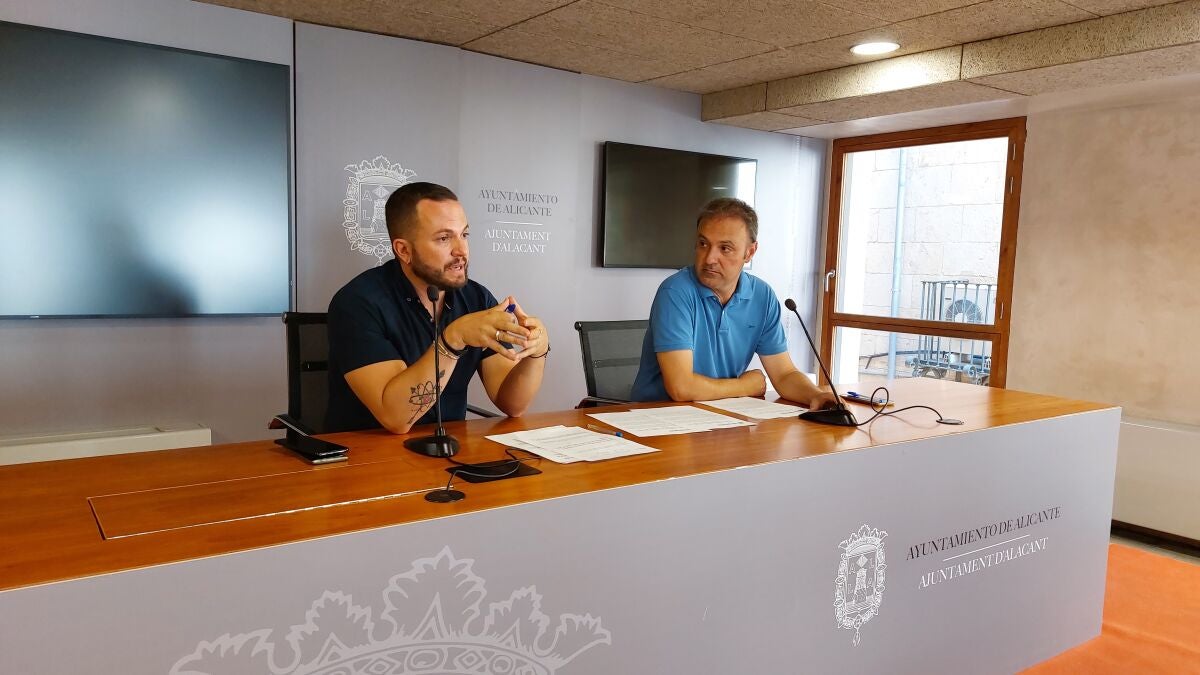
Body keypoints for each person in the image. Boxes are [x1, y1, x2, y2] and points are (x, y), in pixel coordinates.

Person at [325, 182, 549, 434]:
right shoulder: (357, 303)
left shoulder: (477, 298)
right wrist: (453, 339)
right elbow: (395, 418)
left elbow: (513, 404)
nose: (461, 251)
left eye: (464, 235)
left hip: (452, 448)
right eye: (444, 238)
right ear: (404, 250)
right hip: (369, 451)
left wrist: (536, 353)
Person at [630, 197, 835, 410]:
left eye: (725, 248)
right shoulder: (675, 292)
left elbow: (784, 374)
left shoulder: (762, 296)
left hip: (720, 413)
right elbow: (681, 388)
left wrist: (816, 396)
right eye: (703, 244)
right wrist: (745, 386)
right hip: (657, 415)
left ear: (750, 252)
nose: (709, 258)